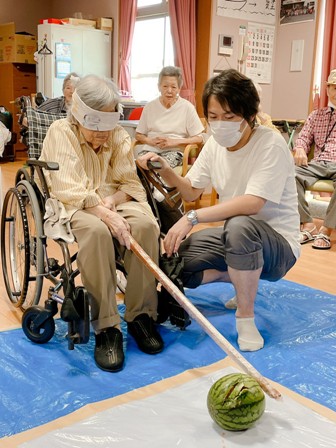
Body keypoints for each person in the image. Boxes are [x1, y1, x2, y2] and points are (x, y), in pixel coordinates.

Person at [138, 69, 301, 352]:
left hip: (279, 247)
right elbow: (190, 191)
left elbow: (253, 203)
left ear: (249, 115)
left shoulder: (270, 144)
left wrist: (192, 217)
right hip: (238, 240)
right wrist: (166, 170)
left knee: (239, 225)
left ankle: (245, 317)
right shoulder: (214, 144)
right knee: (178, 263)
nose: (220, 124)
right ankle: (243, 276)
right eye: (213, 117)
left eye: (229, 117)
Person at [39, 74, 164, 373]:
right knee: (96, 232)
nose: (103, 136)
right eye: (96, 130)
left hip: (114, 199)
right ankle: (107, 327)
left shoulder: (118, 135)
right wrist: (105, 214)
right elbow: (70, 188)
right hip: (76, 204)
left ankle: (141, 316)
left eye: (108, 128)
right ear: (78, 115)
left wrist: (113, 203)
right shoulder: (61, 132)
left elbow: (130, 184)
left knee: (146, 227)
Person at [293, 68, 336, 250]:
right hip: (318, 164)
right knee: (289, 173)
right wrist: (300, 148)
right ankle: (308, 225)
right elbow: (303, 138)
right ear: (327, 90)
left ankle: (326, 230)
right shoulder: (316, 115)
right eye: (334, 87)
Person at [135, 66, 206, 170]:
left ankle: (155, 185)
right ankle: (146, 185)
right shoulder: (150, 107)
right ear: (159, 87)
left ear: (179, 88)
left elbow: (199, 138)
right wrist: (150, 141)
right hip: (150, 150)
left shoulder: (187, 107)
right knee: (137, 167)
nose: (169, 90)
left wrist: (174, 141)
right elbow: (138, 134)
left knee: (158, 165)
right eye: (165, 86)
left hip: (174, 152)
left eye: (173, 87)